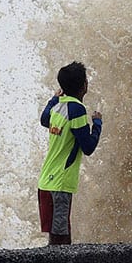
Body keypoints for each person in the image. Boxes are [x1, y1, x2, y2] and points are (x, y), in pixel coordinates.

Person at [37, 62, 103, 245]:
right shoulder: (77, 110)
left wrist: (53, 98)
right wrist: (97, 124)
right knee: (61, 240)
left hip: (45, 182)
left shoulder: (58, 105)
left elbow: (44, 120)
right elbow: (88, 147)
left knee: (56, 237)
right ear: (84, 86)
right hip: (60, 184)